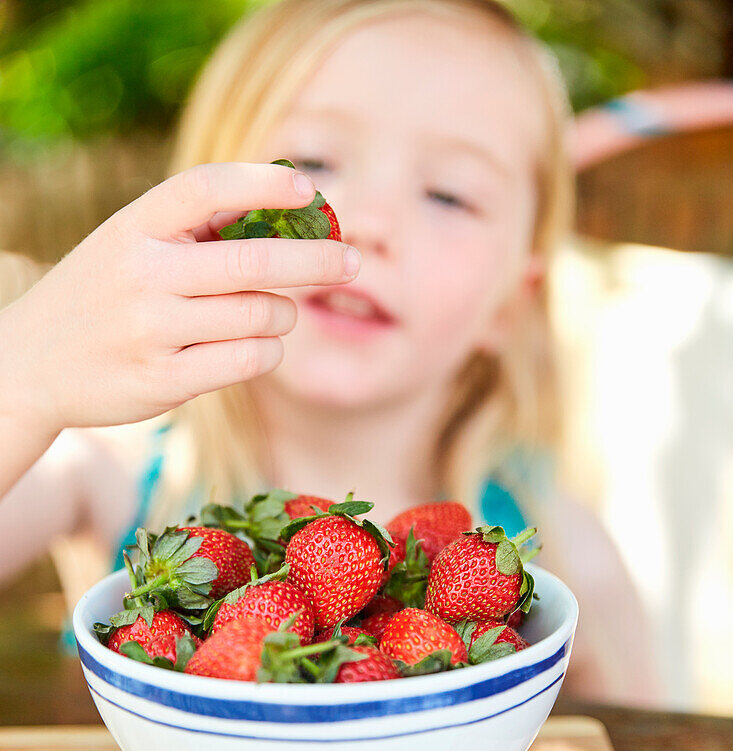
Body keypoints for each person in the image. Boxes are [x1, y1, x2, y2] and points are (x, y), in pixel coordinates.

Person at [0, 0, 657, 703]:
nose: (368, 222)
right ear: (205, 214)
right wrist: (22, 379)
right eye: (309, 162)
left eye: (448, 195)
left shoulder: (563, 544)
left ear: (510, 302)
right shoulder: (100, 462)